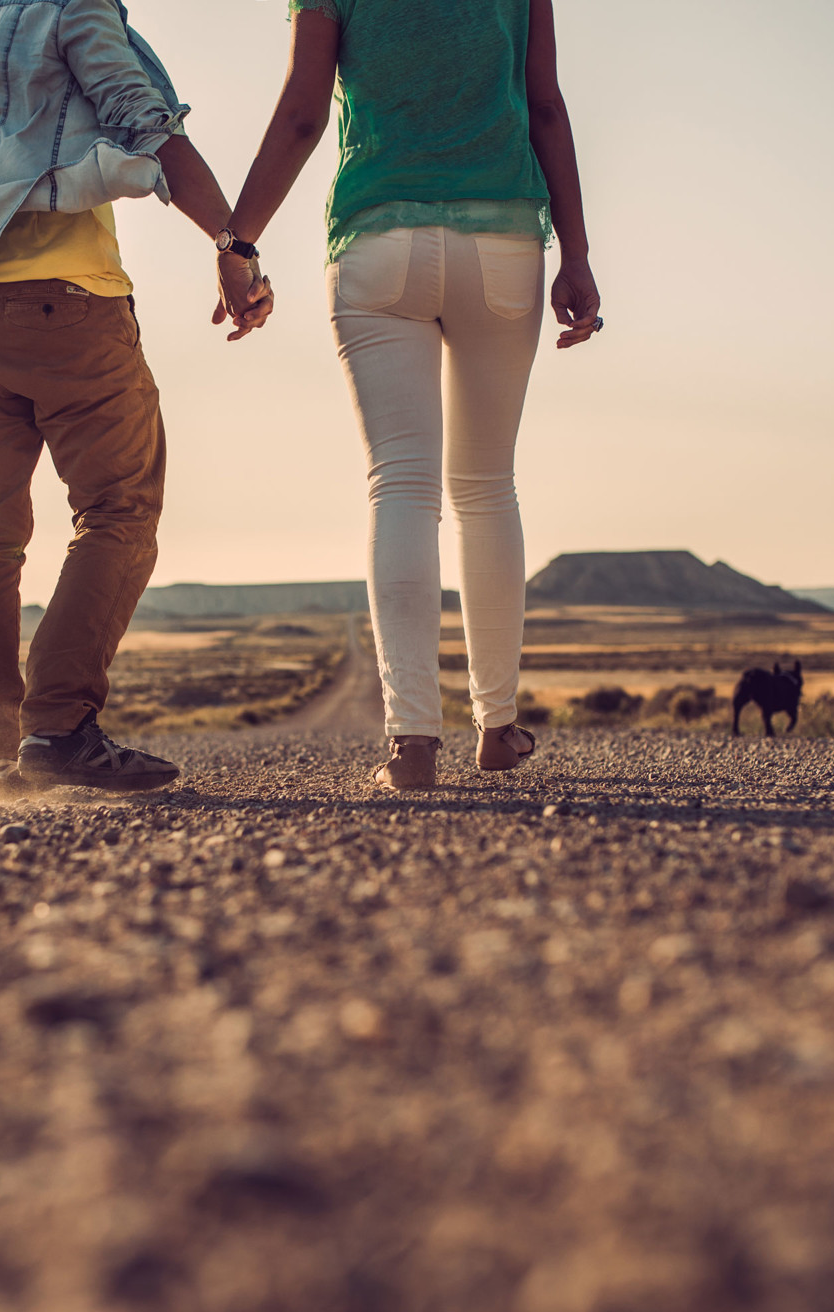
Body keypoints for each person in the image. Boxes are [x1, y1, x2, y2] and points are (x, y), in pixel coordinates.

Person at [0, 0, 271, 801]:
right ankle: (57, 729)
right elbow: (149, 128)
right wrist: (234, 248)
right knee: (119, 510)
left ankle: (0, 756)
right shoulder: (73, 11)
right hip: (70, 308)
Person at [226, 0, 600, 789]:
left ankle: (412, 743)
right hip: (504, 239)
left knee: (401, 483)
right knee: (488, 485)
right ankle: (497, 728)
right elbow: (546, 106)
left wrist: (238, 241)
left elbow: (302, 114)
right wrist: (577, 254)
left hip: (376, 238)